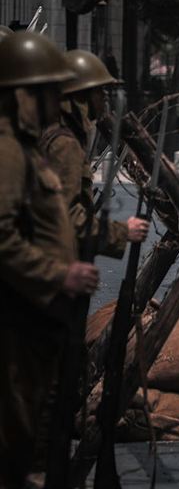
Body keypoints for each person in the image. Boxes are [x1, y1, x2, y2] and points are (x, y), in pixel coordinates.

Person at [0, 32, 94, 488]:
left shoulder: (25, 146)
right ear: (24, 94)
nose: (58, 102)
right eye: (48, 92)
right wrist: (59, 272)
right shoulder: (9, 152)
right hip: (24, 305)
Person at [41, 50, 149, 264]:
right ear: (82, 96)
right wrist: (123, 231)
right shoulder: (64, 144)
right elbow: (63, 218)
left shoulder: (58, 133)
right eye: (100, 91)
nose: (104, 99)